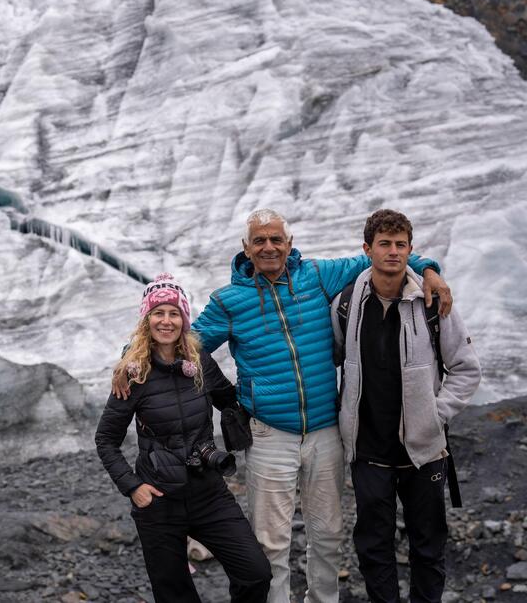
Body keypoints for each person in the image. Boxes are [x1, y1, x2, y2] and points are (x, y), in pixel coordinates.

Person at [113, 208, 453, 603]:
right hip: (270, 434)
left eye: (276, 239)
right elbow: (180, 340)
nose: (269, 247)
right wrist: (129, 358)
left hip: (326, 431)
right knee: (270, 544)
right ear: (246, 248)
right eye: (260, 240)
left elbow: (382, 257)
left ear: (289, 244)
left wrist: (428, 270)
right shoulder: (229, 302)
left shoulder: (317, 275)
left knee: (327, 535)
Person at [331, 210, 480, 603]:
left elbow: (466, 369)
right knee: (373, 550)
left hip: (424, 454)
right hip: (369, 454)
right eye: (385, 244)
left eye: (400, 245)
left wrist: (435, 415)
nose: (393, 252)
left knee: (428, 548)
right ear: (368, 249)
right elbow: (330, 360)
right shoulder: (346, 305)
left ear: (411, 250)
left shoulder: (432, 303)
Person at [95, 273, 272, 603]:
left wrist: (269, 394)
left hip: (208, 491)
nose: (166, 321)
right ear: (147, 320)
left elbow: (228, 399)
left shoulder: (199, 361)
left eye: (174, 313)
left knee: (255, 573)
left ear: (184, 318)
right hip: (158, 499)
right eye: (158, 313)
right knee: (174, 594)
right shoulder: (133, 373)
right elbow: (105, 438)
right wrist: (133, 487)